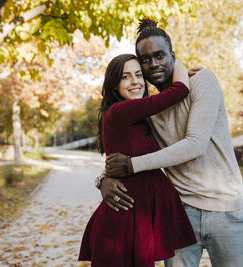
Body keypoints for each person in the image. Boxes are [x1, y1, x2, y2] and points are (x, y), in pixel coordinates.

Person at [100, 18, 243, 267]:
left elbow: (195, 144)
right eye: (145, 60)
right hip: (180, 213)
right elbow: (125, 151)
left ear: (173, 55)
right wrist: (103, 180)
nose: (153, 64)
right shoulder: (147, 108)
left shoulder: (202, 81)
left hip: (225, 210)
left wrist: (131, 165)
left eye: (160, 56)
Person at [78, 54, 197, 267]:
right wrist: (176, 63)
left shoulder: (138, 114)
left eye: (139, 74)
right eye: (126, 77)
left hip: (137, 215)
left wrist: (101, 180)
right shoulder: (121, 110)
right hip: (125, 217)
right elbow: (180, 91)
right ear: (114, 85)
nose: (135, 81)